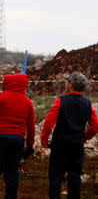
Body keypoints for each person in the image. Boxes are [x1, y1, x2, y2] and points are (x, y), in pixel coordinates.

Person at [41, 71, 98, 199]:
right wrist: (85, 137)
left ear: (70, 84)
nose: (66, 83)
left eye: (67, 82)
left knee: (55, 178)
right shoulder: (88, 104)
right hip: (77, 146)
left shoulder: (60, 101)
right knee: (74, 177)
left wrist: (44, 139)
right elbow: (95, 126)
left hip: (59, 145)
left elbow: (49, 122)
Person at [0, 73, 35, 199]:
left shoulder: (1, 97)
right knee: (12, 172)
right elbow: (31, 126)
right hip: (18, 139)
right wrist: (30, 143)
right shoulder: (27, 102)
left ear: (8, 83)